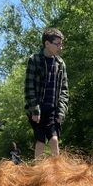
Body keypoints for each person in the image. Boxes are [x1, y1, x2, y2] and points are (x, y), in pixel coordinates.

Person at [24, 27, 68, 160]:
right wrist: (35, 110)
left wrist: (61, 111)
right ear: (47, 44)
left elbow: (64, 91)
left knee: (54, 140)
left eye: (61, 44)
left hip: (53, 110)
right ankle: (38, 173)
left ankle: (58, 172)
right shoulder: (34, 60)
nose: (60, 47)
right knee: (40, 142)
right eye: (57, 44)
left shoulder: (60, 64)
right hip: (38, 109)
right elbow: (29, 86)